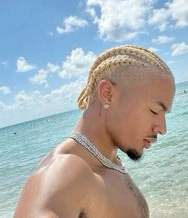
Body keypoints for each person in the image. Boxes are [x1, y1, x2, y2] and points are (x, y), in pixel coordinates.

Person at [13, 45, 175, 218]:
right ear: (107, 94)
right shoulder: (65, 172)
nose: (162, 129)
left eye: (164, 115)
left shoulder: (109, 161)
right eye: (154, 111)